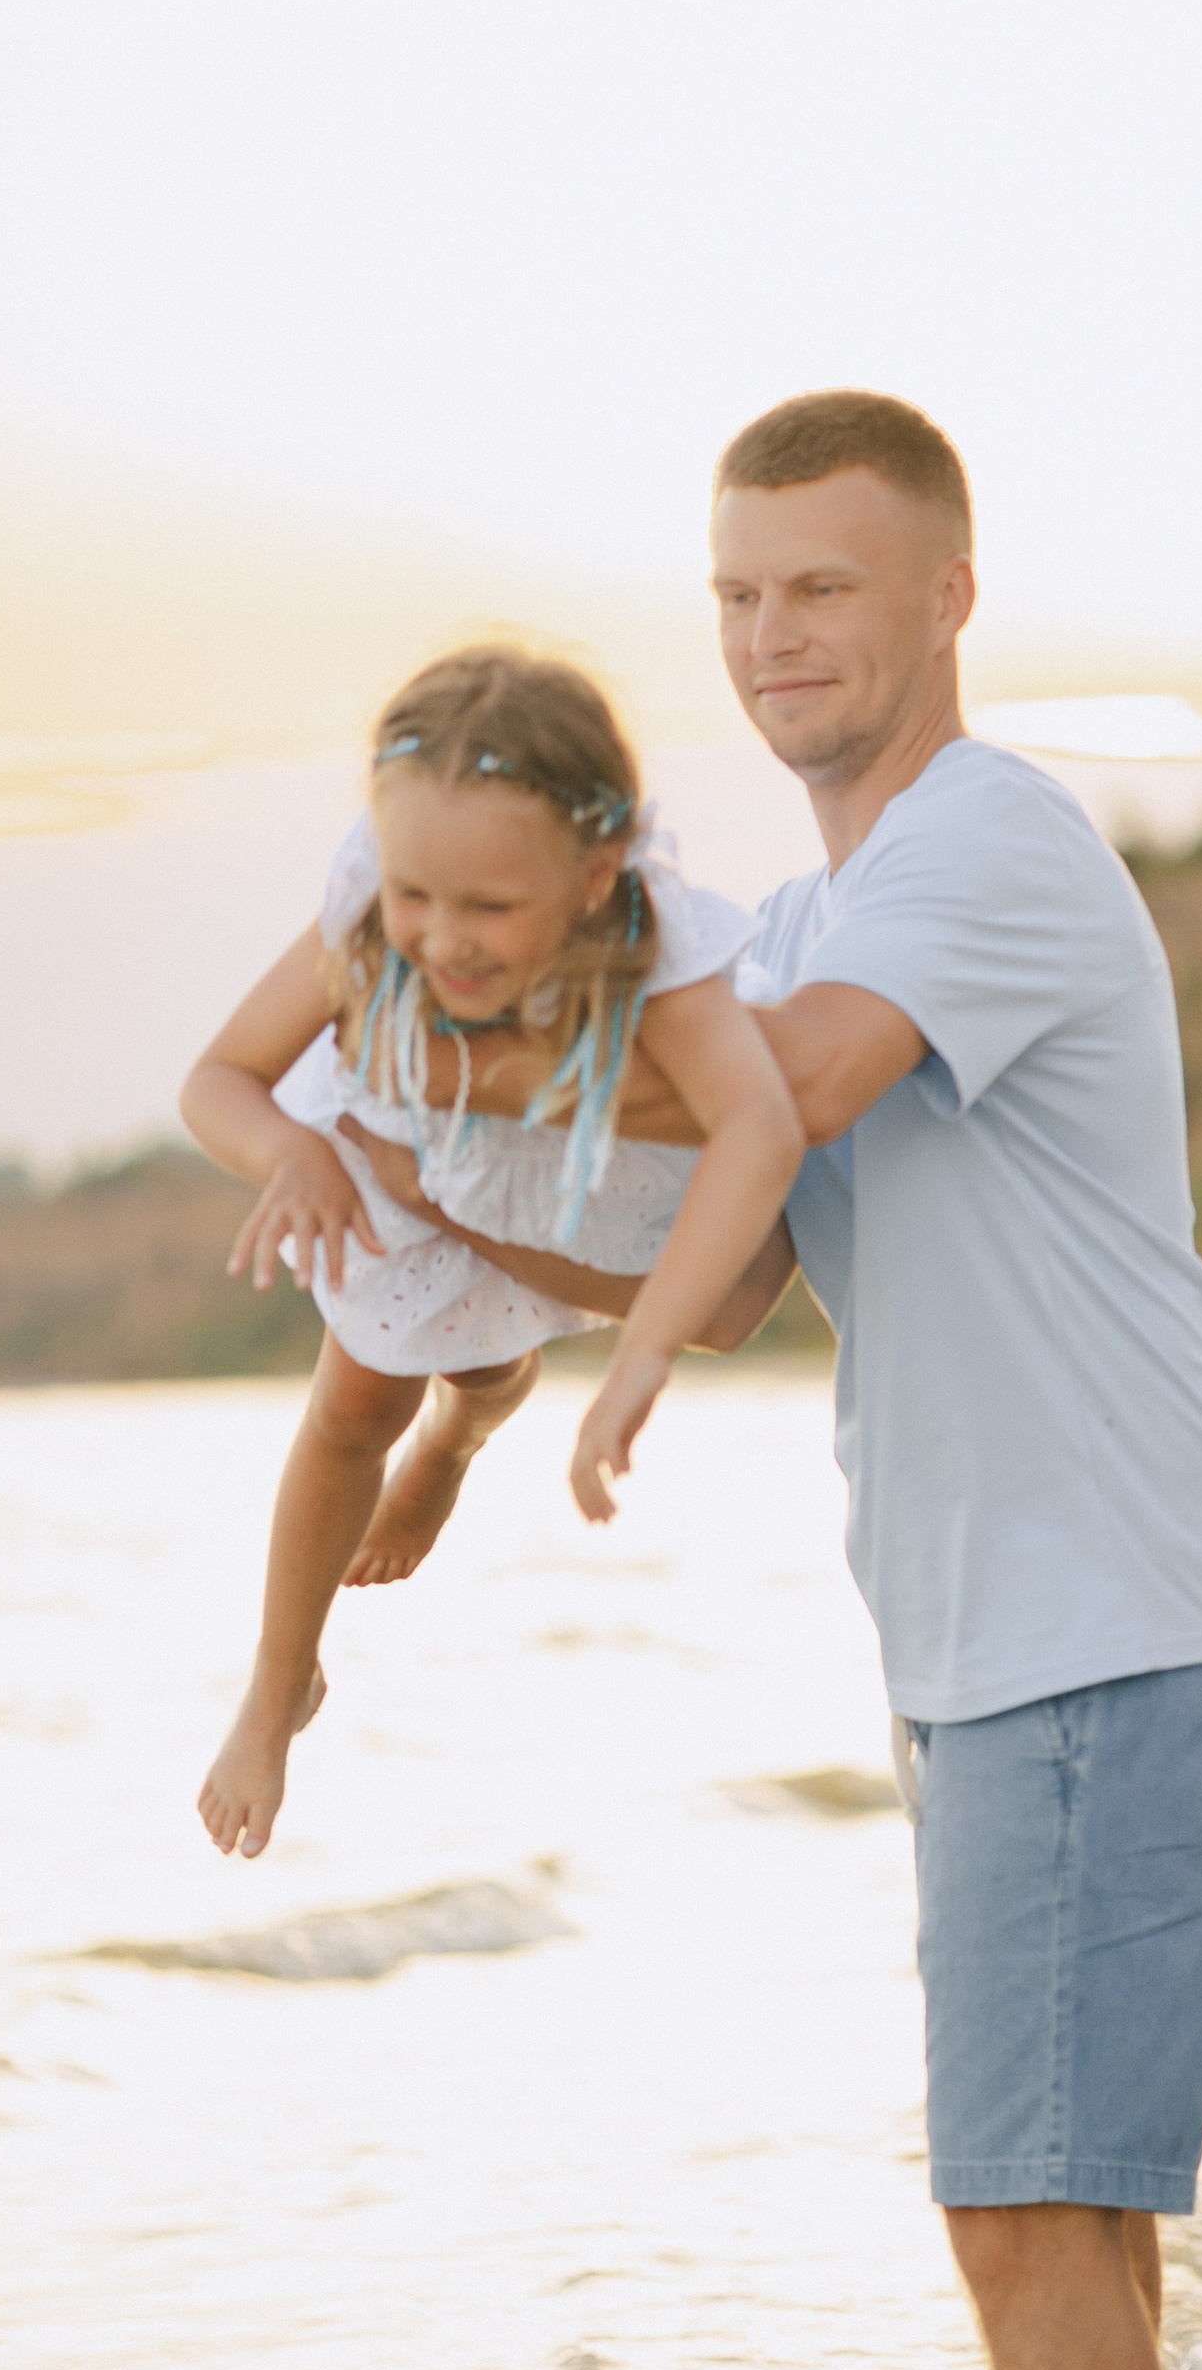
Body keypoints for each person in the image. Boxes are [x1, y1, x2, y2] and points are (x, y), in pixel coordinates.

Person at [428, 398, 1202, 2370]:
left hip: (1098, 1615)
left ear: (942, 597)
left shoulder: (985, 842)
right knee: (1043, 2199)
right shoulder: (815, 918)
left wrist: (510, 1026)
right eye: (734, 593)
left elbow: (775, 1106)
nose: (771, 633)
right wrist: (438, 1188)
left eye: (821, 583)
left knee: (1030, 2205)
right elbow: (735, 1261)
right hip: (992, 1627)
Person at [179, 647, 803, 1863]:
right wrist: (289, 1156)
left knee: (485, 1357)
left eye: (489, 910)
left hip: (579, 1159)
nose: (444, 941)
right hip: (405, 1122)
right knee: (358, 1398)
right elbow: (217, 1079)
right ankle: (277, 1684)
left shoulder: (657, 949)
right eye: (417, 896)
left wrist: (641, 1360)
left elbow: (761, 1124)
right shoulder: (378, 907)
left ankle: (459, 1440)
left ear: (594, 875)